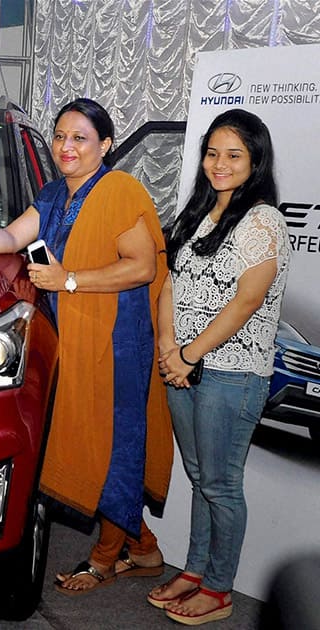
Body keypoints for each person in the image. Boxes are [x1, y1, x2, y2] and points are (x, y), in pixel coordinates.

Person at [0, 98, 173, 595]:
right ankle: (144, 547)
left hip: (117, 341)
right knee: (90, 438)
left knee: (112, 444)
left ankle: (107, 556)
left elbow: (142, 267)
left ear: (105, 145)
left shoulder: (120, 190)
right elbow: (12, 235)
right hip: (73, 335)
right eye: (61, 136)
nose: (67, 147)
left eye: (80, 138)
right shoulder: (53, 194)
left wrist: (68, 279)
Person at [149, 109, 289, 625]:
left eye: (233, 155)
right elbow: (171, 283)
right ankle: (195, 572)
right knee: (198, 475)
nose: (219, 164)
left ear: (255, 161)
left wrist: (188, 354)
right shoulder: (199, 213)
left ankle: (220, 588)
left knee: (221, 484)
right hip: (182, 366)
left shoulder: (263, 220)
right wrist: (168, 346)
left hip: (232, 373)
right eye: (212, 153)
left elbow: (246, 302)